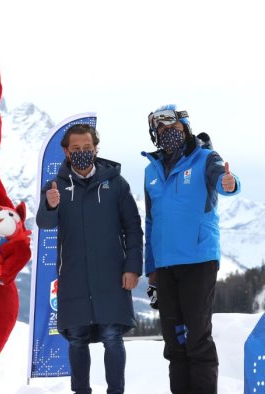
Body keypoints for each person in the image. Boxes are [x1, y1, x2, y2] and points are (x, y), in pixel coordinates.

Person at [36, 124, 143, 394]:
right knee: (77, 339)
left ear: (96, 149)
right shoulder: (56, 186)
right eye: (76, 149)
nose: (82, 153)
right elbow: (45, 223)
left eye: (87, 148)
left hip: (111, 275)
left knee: (112, 337)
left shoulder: (116, 183)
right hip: (74, 277)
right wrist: (50, 205)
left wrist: (133, 267)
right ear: (66, 151)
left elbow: (133, 227)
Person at [143, 104, 240, 393]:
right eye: (161, 130)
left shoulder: (206, 158)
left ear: (184, 128)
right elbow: (150, 222)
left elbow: (223, 182)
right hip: (165, 266)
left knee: (197, 339)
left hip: (199, 260)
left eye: (172, 128)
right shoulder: (151, 170)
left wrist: (229, 183)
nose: (167, 133)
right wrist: (151, 270)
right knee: (175, 343)